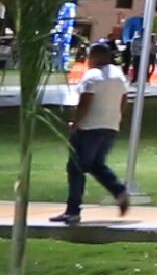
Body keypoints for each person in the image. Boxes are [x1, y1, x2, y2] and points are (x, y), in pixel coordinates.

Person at [51, 44, 133, 225]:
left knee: (76, 169)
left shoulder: (93, 75)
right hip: (110, 127)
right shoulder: (118, 74)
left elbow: (85, 102)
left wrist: (75, 122)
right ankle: (119, 191)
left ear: (94, 57)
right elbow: (124, 100)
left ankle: (73, 211)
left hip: (89, 128)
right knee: (96, 164)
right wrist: (116, 117)